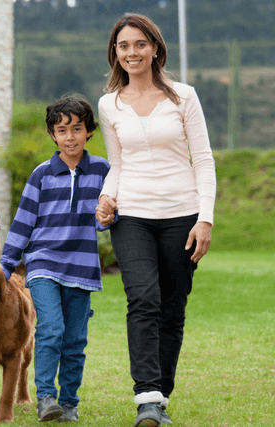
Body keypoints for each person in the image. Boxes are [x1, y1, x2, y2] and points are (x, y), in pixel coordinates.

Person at [95, 13, 216, 427]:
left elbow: (202, 159)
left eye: (140, 44)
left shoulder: (184, 96)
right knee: (143, 298)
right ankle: (146, 397)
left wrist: (206, 218)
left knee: (172, 305)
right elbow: (117, 163)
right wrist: (107, 196)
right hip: (132, 216)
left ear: (155, 48)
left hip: (182, 214)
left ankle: (160, 395)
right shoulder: (108, 103)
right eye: (124, 46)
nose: (132, 53)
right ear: (116, 52)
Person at [0, 95, 114, 423]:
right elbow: (23, 222)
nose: (70, 137)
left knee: (75, 339)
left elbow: (105, 216)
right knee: (51, 328)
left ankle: (69, 402)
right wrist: (7, 264)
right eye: (62, 130)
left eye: (77, 129)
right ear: (53, 135)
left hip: (81, 267)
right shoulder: (41, 175)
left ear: (89, 131)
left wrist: (108, 218)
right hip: (43, 263)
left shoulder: (102, 170)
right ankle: (45, 397)